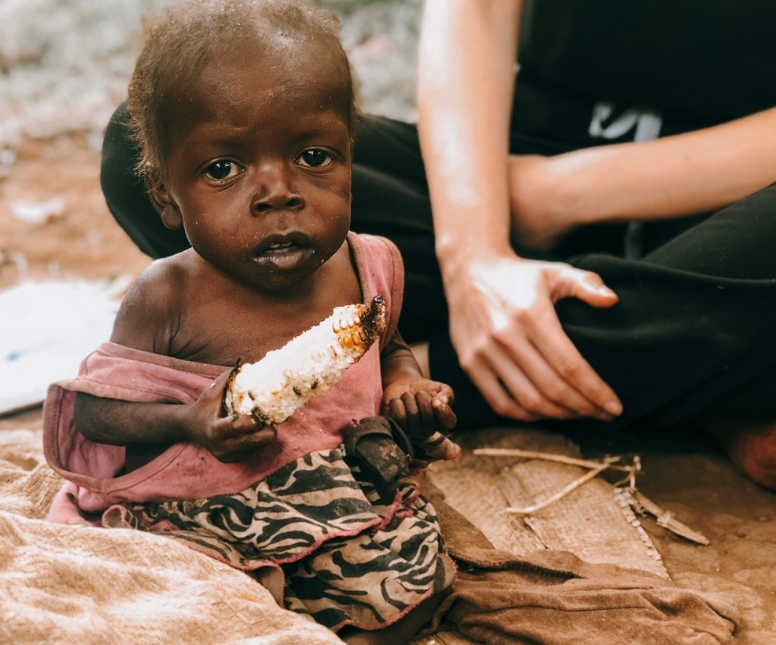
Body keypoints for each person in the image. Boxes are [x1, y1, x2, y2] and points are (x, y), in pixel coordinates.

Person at [99, 1, 776, 488]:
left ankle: (400, 374)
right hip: (505, 162)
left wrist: (557, 194)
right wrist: (475, 252)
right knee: (154, 141)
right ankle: (691, 369)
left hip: (738, 202)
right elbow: (475, 11)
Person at [43, 2, 457, 642]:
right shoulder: (168, 296)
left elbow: (390, 345)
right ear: (164, 198)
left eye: (314, 156)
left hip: (336, 495)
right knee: (188, 599)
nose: (278, 192)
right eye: (223, 169)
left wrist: (407, 386)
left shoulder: (370, 265)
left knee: (419, 582)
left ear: (352, 156)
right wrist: (189, 421)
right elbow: (99, 412)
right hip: (207, 505)